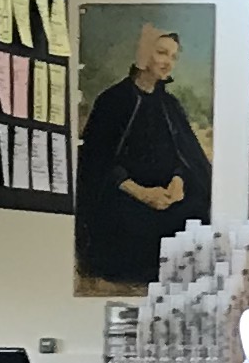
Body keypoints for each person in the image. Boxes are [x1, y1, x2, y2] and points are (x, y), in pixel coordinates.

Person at [75, 21, 210, 289]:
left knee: (198, 206)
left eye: (173, 56)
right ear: (144, 53)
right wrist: (141, 192)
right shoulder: (112, 100)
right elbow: (97, 161)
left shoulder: (170, 104)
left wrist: (178, 181)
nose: (168, 62)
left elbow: (184, 155)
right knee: (130, 224)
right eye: (161, 53)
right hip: (125, 195)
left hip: (166, 196)